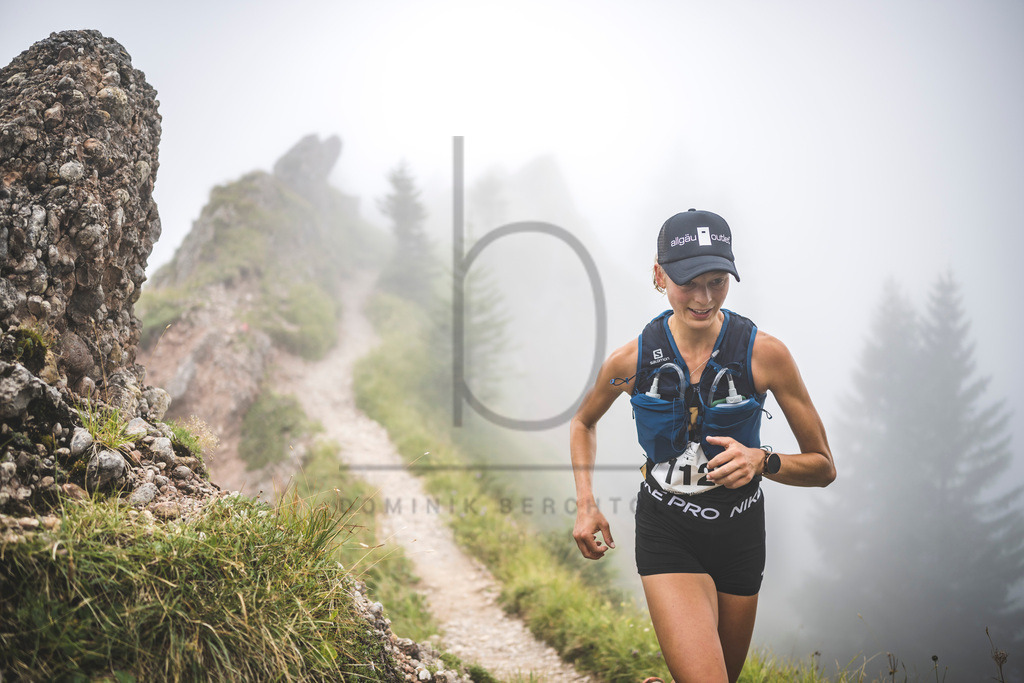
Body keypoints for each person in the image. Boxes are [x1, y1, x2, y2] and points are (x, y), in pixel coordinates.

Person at [570, 209, 836, 683]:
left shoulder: (765, 355)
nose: (704, 298)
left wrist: (762, 460)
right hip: (667, 529)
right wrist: (586, 504)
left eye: (717, 281)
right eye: (688, 282)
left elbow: (823, 467)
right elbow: (583, 422)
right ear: (659, 275)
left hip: (741, 535)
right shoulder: (630, 362)